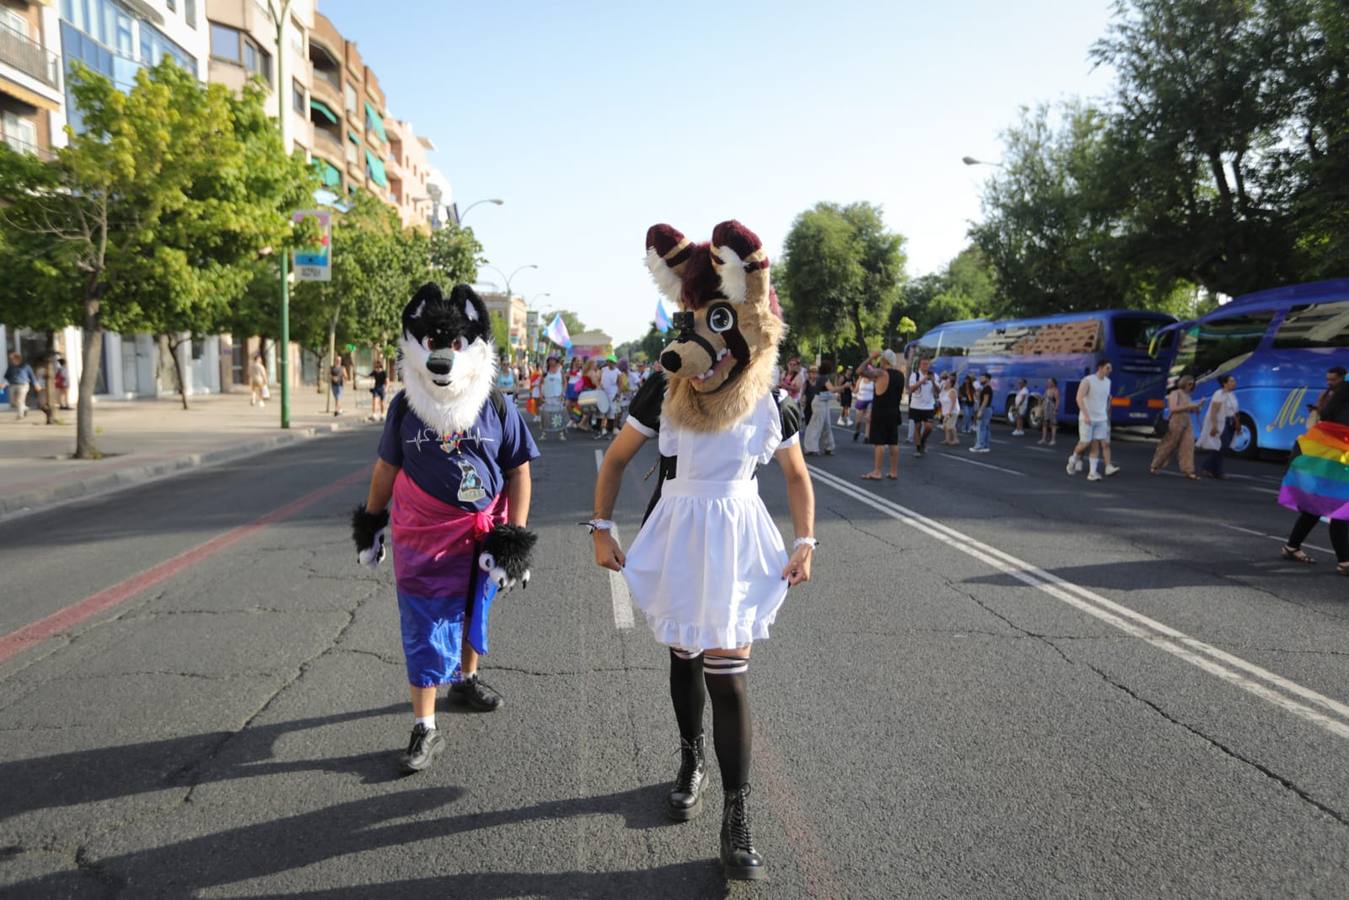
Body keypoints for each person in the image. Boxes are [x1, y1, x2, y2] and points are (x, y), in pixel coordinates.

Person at [595, 219, 815, 882]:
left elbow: (797, 476)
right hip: (679, 531)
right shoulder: (663, 393)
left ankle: (736, 815)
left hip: (738, 537)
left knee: (730, 676)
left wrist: (805, 540)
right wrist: (600, 527)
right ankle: (690, 760)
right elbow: (613, 462)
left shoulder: (767, 403)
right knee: (685, 659)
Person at [351, 283, 539, 774]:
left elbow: (519, 469)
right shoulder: (405, 407)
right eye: (433, 343)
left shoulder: (497, 404)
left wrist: (513, 538)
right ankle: (425, 726)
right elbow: (386, 469)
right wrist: (371, 522)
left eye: (453, 344)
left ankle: (466, 679)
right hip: (423, 537)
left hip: (482, 534)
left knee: (476, 606)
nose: (442, 354)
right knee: (425, 624)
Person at [1280, 366, 1349, 575]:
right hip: (1334, 467)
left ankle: (1292, 546)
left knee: (1315, 508)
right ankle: (1345, 562)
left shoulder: (1330, 416)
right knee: (1340, 509)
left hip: (1326, 467)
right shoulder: (1339, 422)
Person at [1067, 360, 1119, 481]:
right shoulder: (1088, 380)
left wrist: (1107, 417)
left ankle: (1092, 473)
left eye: (1110, 368)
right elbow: (1079, 398)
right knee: (1085, 443)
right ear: (1100, 368)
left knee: (1096, 445)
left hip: (1101, 419)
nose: (1110, 370)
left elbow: (1105, 401)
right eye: (1108, 368)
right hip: (1087, 418)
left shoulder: (1108, 382)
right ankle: (1073, 458)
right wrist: (1086, 415)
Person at [859, 349, 904, 479]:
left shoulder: (881, 373)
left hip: (881, 411)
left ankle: (877, 471)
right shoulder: (900, 375)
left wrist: (870, 358)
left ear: (884, 360)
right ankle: (894, 471)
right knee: (893, 443)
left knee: (879, 443)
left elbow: (860, 371)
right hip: (895, 411)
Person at [1150, 375, 1200, 479]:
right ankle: (1156, 465)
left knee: (1188, 445)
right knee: (1169, 444)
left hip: (1187, 420)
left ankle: (1188, 470)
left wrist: (1195, 408)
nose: (1191, 386)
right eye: (1189, 383)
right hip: (1176, 420)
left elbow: (1187, 409)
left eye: (1192, 384)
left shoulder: (1188, 395)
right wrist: (1189, 406)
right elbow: (1173, 408)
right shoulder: (1175, 393)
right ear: (1183, 383)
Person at [1198, 375, 1240, 479]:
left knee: (1224, 447)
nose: (1234, 383)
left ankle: (1209, 468)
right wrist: (1214, 426)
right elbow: (1213, 412)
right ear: (1224, 383)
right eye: (1231, 381)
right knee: (1220, 446)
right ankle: (1215, 471)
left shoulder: (1232, 395)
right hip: (1222, 422)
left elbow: (1235, 411)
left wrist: (1238, 424)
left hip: (1231, 422)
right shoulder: (1218, 394)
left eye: (1233, 381)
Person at [906, 357, 939, 456]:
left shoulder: (934, 375)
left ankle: (923, 440)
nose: (926, 366)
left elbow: (938, 392)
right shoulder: (914, 375)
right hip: (916, 406)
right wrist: (921, 381)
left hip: (928, 406)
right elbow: (910, 390)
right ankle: (918, 448)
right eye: (924, 364)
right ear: (919, 365)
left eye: (927, 364)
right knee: (917, 426)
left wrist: (932, 381)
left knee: (929, 427)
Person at [802, 363, 836, 456]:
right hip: (819, 402)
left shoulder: (821, 378)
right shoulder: (823, 378)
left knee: (826, 425)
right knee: (816, 425)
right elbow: (832, 389)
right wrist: (843, 387)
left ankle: (829, 446)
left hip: (823, 401)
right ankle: (810, 447)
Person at [2, 352, 39, 420]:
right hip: (12, 385)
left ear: (17, 358)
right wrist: (4, 384)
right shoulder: (10, 367)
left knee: (20, 400)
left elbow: (32, 376)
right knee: (13, 402)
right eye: (11, 359)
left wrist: (36, 384)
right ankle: (25, 408)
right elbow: (7, 376)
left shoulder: (26, 366)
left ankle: (20, 415)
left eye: (12, 358)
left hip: (23, 385)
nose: (11, 360)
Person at [540, 355, 568, 441]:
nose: (551, 362)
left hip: (557, 396)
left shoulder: (560, 371)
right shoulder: (545, 371)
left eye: (553, 360)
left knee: (559, 414)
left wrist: (563, 393)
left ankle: (561, 433)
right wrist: (541, 394)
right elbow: (541, 383)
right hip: (548, 396)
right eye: (550, 360)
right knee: (546, 414)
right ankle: (544, 433)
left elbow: (565, 382)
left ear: (556, 361)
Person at [597, 357, 621, 439]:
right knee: (603, 411)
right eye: (608, 361)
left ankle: (612, 429)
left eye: (611, 362)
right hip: (603, 393)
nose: (609, 363)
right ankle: (603, 429)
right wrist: (599, 387)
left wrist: (618, 393)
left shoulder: (618, 372)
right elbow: (598, 379)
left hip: (613, 394)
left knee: (612, 412)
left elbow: (619, 384)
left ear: (614, 362)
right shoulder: (603, 369)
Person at [970, 372, 994, 453]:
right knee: (986, 428)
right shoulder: (985, 388)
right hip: (987, 409)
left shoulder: (987, 388)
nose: (980, 379)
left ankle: (979, 446)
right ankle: (985, 446)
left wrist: (980, 410)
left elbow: (985, 400)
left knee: (981, 428)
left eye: (982, 378)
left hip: (985, 409)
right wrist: (977, 391)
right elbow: (979, 398)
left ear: (987, 379)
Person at [852, 370, 874, 442]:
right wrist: (850, 387)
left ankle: (866, 436)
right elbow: (855, 390)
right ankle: (857, 431)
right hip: (860, 400)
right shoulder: (860, 380)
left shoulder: (873, 381)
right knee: (858, 421)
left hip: (870, 400)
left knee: (868, 419)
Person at [1038, 378, 1060, 446]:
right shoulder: (1047, 390)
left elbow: (1057, 400)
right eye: (1048, 382)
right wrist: (1040, 399)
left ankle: (1053, 440)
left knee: (1052, 424)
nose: (1048, 383)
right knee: (1045, 423)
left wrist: (1056, 409)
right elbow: (1043, 398)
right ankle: (1043, 439)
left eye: (1050, 382)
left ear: (1054, 383)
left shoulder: (1056, 390)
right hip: (1045, 408)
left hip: (1051, 408)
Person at [939, 373, 960, 446]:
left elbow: (953, 403)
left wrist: (949, 413)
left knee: (950, 426)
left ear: (951, 384)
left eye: (947, 382)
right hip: (945, 411)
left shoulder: (952, 391)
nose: (945, 383)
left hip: (952, 411)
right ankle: (947, 439)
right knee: (945, 426)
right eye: (945, 382)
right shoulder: (943, 391)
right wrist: (943, 412)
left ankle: (955, 439)